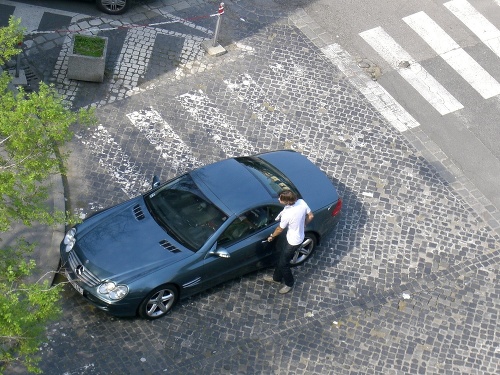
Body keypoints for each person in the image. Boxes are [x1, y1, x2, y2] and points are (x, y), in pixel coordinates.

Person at [265, 190, 314, 294]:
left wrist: (271, 237)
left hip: (293, 241)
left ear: (287, 202)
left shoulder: (288, 214)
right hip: (297, 237)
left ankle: (289, 283)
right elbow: (311, 216)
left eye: (280, 198)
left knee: (284, 264)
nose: (278, 199)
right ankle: (276, 278)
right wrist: (304, 224)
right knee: (282, 258)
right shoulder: (301, 202)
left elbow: (279, 229)